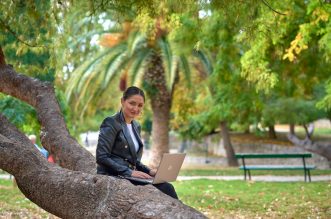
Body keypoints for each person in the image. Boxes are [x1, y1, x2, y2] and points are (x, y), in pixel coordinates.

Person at [96, 86, 178, 199]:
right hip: (113, 175)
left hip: (128, 175)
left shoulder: (136, 126)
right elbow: (102, 157)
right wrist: (128, 172)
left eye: (140, 105)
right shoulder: (111, 122)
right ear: (122, 101)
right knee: (166, 188)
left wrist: (150, 171)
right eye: (132, 103)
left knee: (166, 186)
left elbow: (135, 162)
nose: (136, 108)